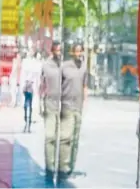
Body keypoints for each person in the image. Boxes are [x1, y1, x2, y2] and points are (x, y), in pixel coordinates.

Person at [59, 44, 88, 182]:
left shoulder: (83, 67)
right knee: (66, 137)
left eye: (80, 51)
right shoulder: (64, 66)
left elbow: (84, 86)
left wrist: (85, 102)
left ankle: (70, 167)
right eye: (76, 51)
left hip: (78, 106)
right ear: (72, 52)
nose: (79, 53)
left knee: (75, 139)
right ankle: (62, 167)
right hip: (67, 105)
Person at [40, 41, 62, 184]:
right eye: (58, 51)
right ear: (52, 51)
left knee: (63, 138)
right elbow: (42, 85)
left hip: (63, 105)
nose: (59, 53)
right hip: (49, 104)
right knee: (50, 137)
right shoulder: (46, 65)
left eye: (61, 51)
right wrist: (40, 105)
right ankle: (49, 168)